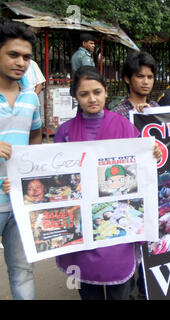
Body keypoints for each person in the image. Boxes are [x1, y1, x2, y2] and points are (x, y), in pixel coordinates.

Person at [53, 66, 161, 300]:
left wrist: (153, 154)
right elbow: (57, 178)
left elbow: (140, 168)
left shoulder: (125, 127)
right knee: (88, 290)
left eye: (97, 92)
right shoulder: (65, 132)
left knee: (119, 291)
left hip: (119, 222)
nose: (92, 99)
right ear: (76, 97)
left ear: (105, 93)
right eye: (84, 94)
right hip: (81, 223)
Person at [0, 20, 42, 300]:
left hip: (18, 200)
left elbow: (36, 138)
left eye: (26, 57)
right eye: (13, 54)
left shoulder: (31, 98)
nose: (21, 62)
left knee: (22, 270)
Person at [112, 51, 159, 119]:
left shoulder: (156, 108)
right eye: (140, 76)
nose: (146, 82)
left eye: (150, 77)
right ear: (127, 79)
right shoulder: (118, 114)